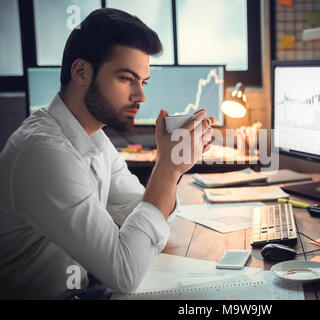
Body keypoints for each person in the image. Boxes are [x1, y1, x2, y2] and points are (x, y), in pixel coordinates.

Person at [0, 8, 214, 299]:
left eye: (143, 81)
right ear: (81, 72)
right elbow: (124, 271)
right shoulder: (43, 151)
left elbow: (142, 216)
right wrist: (168, 169)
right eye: (127, 78)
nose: (141, 96)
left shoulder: (93, 137)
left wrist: (172, 169)